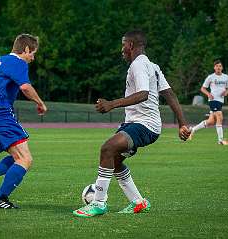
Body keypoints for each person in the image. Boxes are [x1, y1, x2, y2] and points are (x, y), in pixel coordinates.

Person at [73, 30, 191, 218]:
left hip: (145, 125)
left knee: (107, 149)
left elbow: (143, 94)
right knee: (115, 160)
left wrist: (112, 104)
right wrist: (182, 124)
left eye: (123, 46)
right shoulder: (152, 66)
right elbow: (169, 94)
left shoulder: (138, 65)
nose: (122, 50)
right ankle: (139, 203)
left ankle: (98, 203)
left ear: (130, 46)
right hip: (137, 124)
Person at [0, 33, 47, 209]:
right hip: (1, 115)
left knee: (17, 156)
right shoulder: (18, 62)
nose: (33, 57)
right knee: (25, 159)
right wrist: (40, 103)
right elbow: (25, 87)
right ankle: (0, 198)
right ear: (25, 49)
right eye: (33, 53)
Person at [190, 60, 228, 145]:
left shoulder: (226, 77)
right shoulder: (211, 77)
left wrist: (226, 93)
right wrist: (208, 94)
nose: (218, 67)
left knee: (211, 121)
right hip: (213, 100)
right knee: (220, 116)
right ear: (214, 68)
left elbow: (227, 89)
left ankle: (192, 130)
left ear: (222, 68)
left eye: (220, 66)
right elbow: (203, 88)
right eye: (217, 66)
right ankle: (220, 140)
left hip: (220, 101)